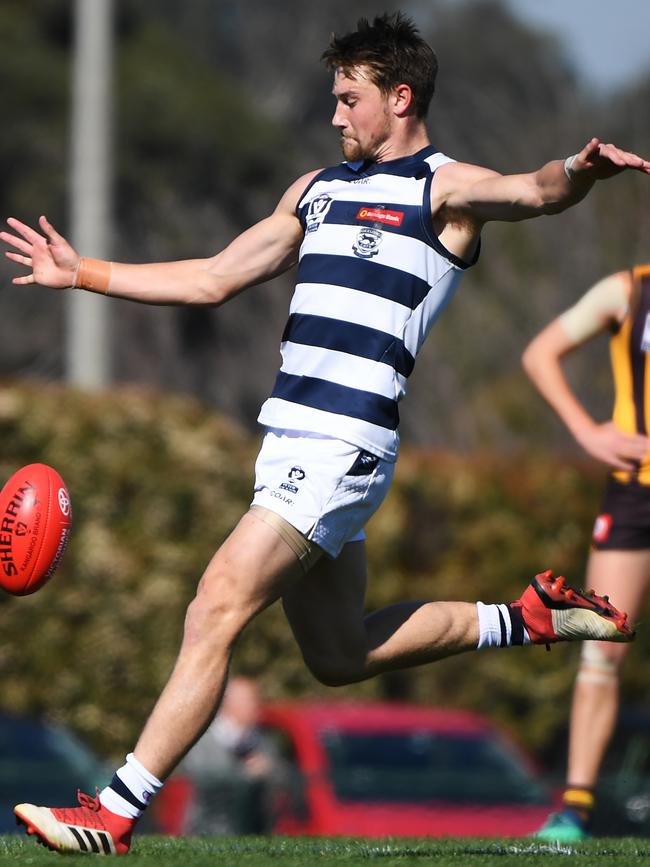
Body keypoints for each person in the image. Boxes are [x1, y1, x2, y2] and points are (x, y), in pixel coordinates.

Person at [1, 12, 646, 856]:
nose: (335, 116)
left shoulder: (441, 190)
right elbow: (213, 277)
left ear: (400, 97)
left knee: (214, 606)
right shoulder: (316, 191)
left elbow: (532, 190)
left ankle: (116, 811)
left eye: (349, 99)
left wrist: (578, 169)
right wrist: (81, 271)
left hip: (342, 447)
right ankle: (527, 617)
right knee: (341, 654)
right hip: (288, 443)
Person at [522, 264, 650, 841]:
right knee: (602, 641)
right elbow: (540, 354)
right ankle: (574, 811)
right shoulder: (628, 290)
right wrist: (586, 431)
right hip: (634, 495)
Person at [173, 676, 280, 835]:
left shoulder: (262, 741)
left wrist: (269, 769)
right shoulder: (203, 740)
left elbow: (281, 778)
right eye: (249, 701)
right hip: (207, 830)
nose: (256, 706)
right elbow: (202, 778)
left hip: (254, 829)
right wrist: (245, 774)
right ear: (229, 704)